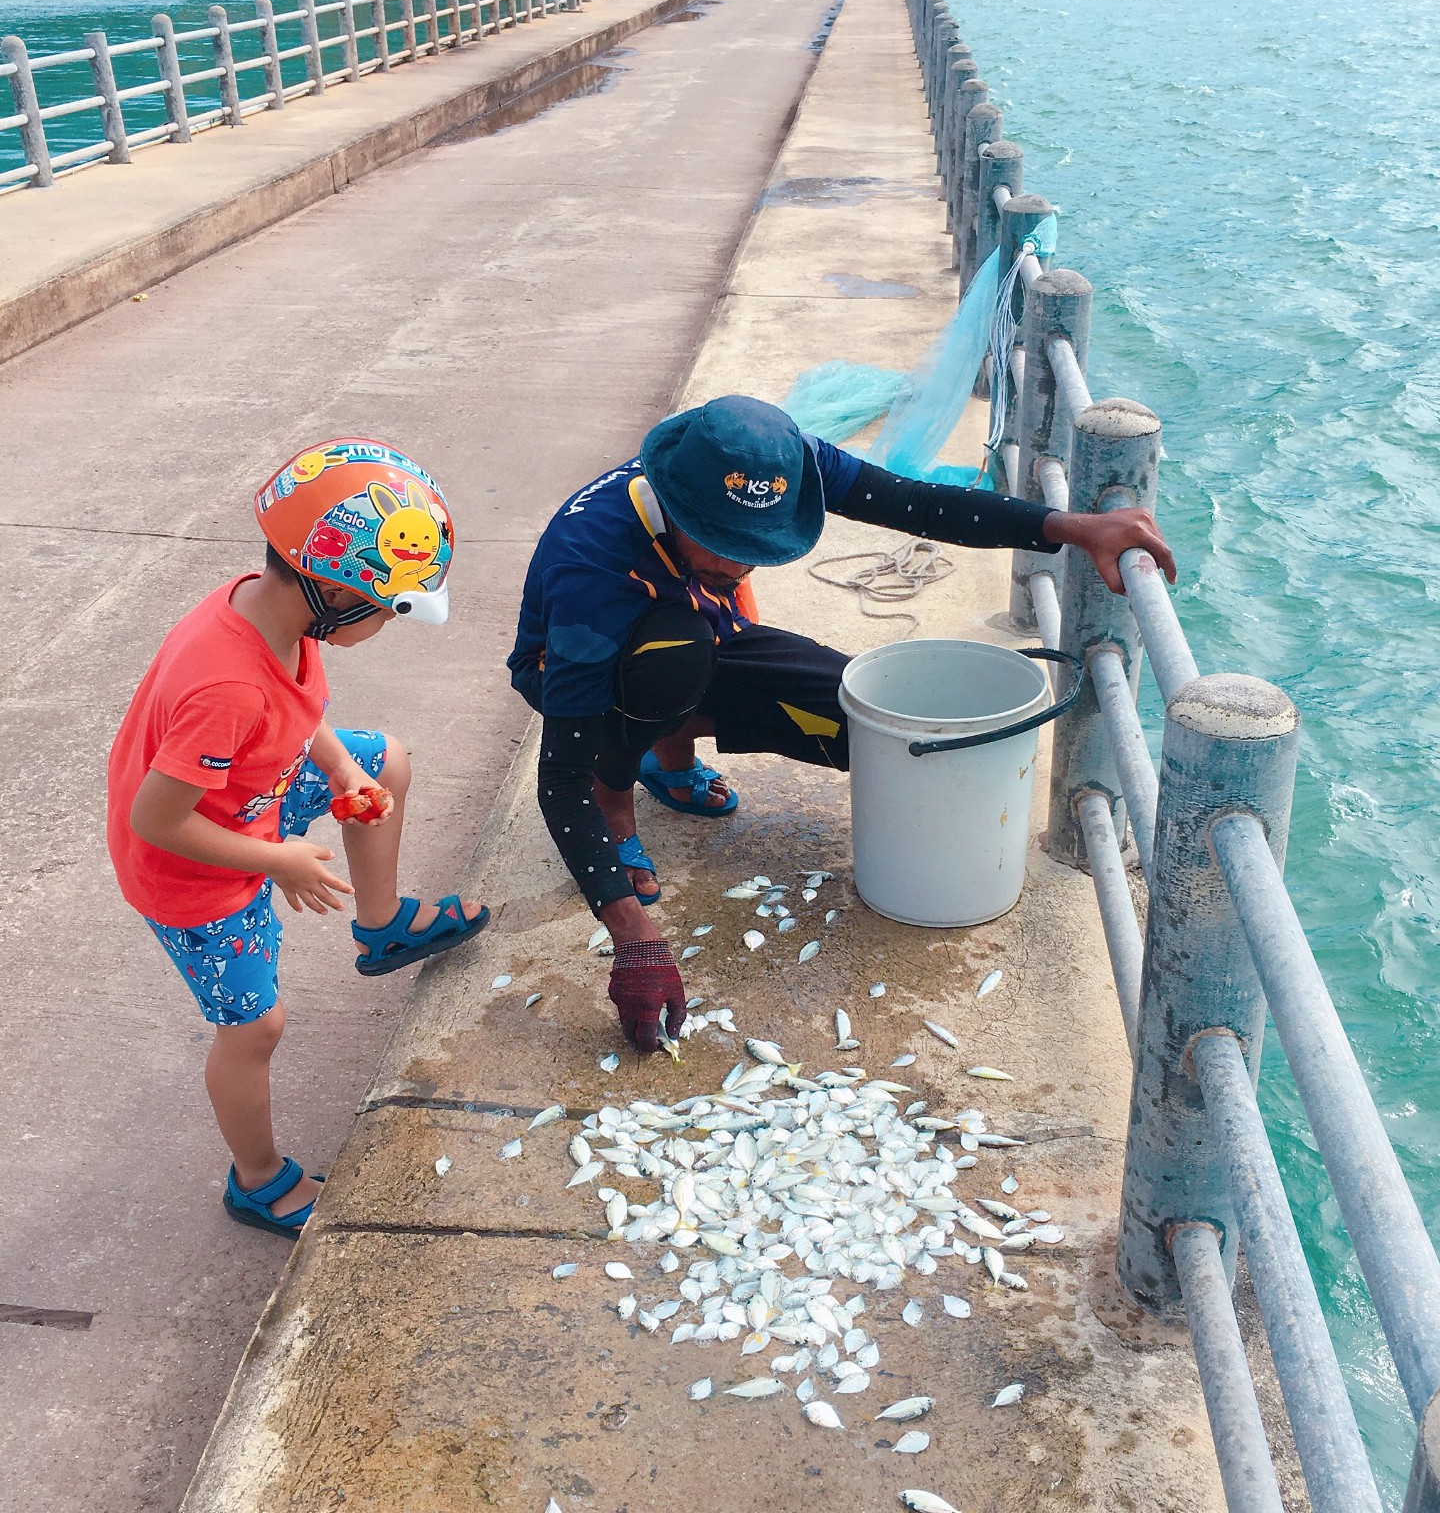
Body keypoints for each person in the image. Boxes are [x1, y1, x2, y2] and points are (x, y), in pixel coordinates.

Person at [509, 396, 1174, 1054]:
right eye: (720, 546)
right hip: (592, 668)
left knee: (866, 727)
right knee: (669, 658)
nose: (738, 565)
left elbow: (919, 504)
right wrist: (632, 933)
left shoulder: (776, 469)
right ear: (675, 503)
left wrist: (1072, 527)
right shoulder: (590, 568)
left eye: (753, 551)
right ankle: (623, 791)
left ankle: (664, 750)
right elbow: (558, 781)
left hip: (698, 630)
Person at [107, 440, 488, 1242]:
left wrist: (346, 772)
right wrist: (278, 858)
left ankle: (380, 924)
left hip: (253, 791)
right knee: (255, 1028)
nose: (387, 623)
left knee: (388, 762)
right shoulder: (226, 686)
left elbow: (300, 708)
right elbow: (158, 820)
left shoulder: (273, 610)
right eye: (388, 608)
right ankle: (257, 1182)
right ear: (338, 594)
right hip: (194, 867)